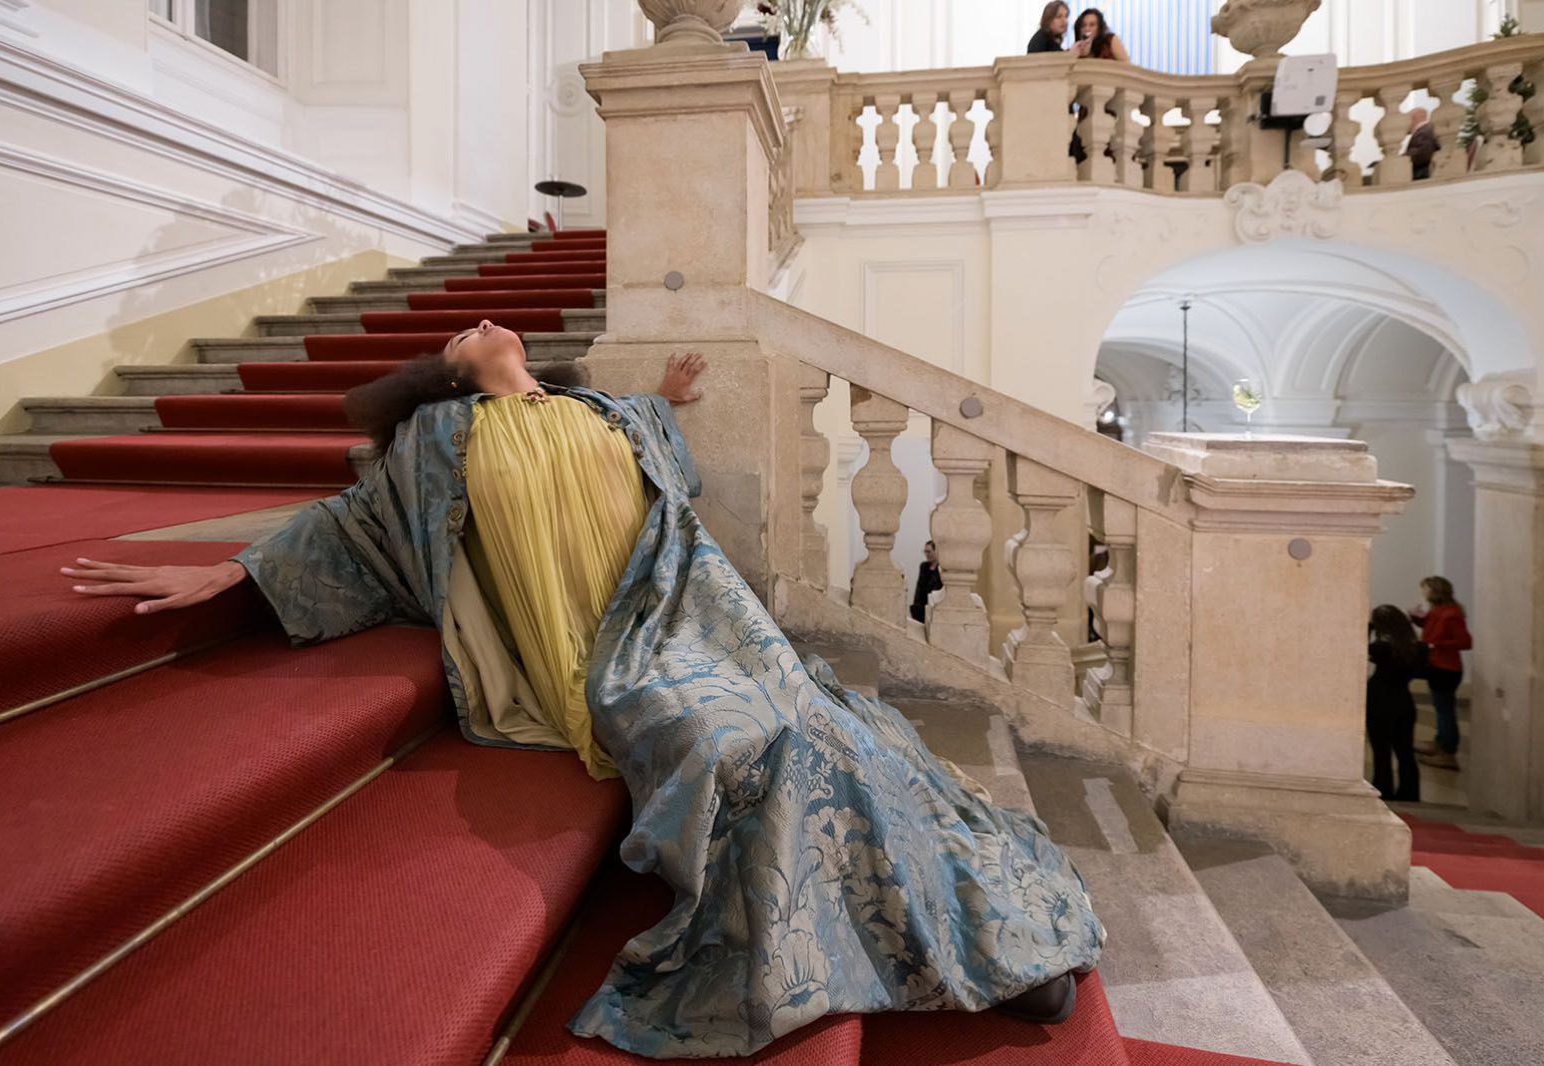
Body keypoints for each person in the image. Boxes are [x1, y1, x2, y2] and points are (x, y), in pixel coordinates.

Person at [59, 320, 1103, 1059]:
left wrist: (673, 395)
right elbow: (348, 523)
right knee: (737, 745)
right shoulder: (434, 442)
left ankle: (977, 921)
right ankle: (941, 945)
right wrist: (230, 572)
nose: (481, 324)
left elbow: (663, 449)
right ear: (445, 375)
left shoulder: (608, 411)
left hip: (692, 610)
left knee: (822, 717)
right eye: (461, 335)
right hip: (603, 655)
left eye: (491, 324)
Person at [1411, 576, 1473, 770]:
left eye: (1426, 588)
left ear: (1435, 591)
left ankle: (1448, 752)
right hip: (1437, 665)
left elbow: (1465, 642)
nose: (1423, 592)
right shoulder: (1437, 611)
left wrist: (1435, 644)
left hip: (1446, 668)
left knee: (1445, 710)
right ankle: (1440, 742)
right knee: (1441, 708)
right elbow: (1430, 626)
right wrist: (1416, 617)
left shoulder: (1451, 613)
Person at [1367, 605, 1425, 802]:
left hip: (1378, 701)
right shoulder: (1418, 648)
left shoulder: (1381, 648)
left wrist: (1367, 628)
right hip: (1403, 702)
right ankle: (1410, 793)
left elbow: (1358, 649)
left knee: (1381, 751)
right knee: (1405, 752)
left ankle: (1383, 789)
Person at [910, 539, 943, 622]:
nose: (927, 554)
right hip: (921, 607)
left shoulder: (942, 568)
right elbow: (919, 588)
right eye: (925, 552)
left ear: (936, 551)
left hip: (934, 606)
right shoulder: (923, 566)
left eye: (929, 552)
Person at [1405, 107, 1440, 181]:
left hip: (1422, 175)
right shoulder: (1426, 130)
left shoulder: (1424, 132)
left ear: (1413, 118)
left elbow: (1422, 154)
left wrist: (1402, 159)